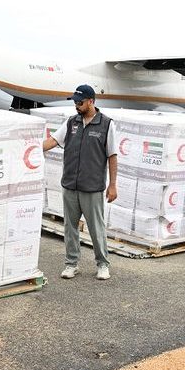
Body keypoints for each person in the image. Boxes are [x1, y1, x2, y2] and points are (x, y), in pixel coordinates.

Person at [42, 84, 118, 280]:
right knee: (70, 227)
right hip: (70, 185)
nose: (77, 105)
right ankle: (71, 264)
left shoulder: (106, 124)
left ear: (91, 101)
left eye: (80, 102)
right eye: (75, 102)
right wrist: (30, 149)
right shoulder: (71, 123)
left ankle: (102, 264)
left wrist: (112, 185)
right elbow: (51, 142)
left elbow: (112, 156)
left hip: (92, 187)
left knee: (96, 228)